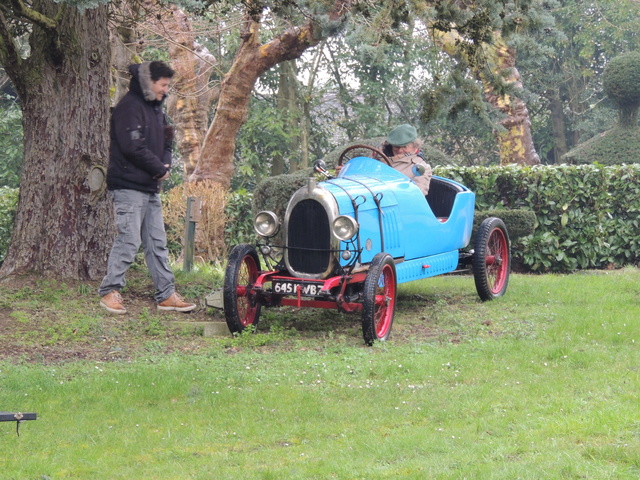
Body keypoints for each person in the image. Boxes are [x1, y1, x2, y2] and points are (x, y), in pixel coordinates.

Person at [99, 61, 196, 315]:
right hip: (128, 186)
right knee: (128, 240)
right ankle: (109, 291)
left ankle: (166, 295)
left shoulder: (155, 109)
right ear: (148, 82)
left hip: (150, 187)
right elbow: (132, 147)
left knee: (157, 243)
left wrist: (165, 163)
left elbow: (167, 138)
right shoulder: (128, 107)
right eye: (163, 85)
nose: (166, 90)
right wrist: (159, 168)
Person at [377, 124, 432, 195]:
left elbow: (417, 195)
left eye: (405, 147)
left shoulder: (420, 167)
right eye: (396, 146)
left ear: (415, 146)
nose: (400, 150)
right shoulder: (378, 154)